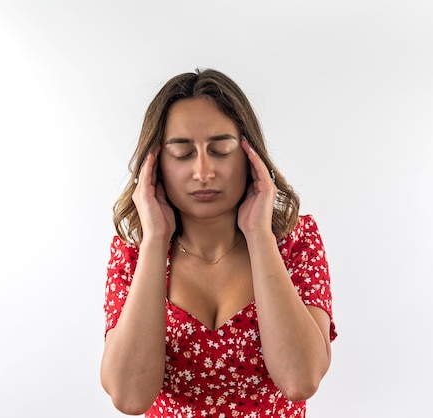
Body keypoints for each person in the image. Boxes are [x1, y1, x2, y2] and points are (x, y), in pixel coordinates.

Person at [100, 68, 337, 418]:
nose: (204, 172)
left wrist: (259, 235)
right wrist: (154, 242)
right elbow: (130, 398)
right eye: (182, 153)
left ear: (249, 155)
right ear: (156, 165)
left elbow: (300, 380)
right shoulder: (133, 253)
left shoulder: (295, 241)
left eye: (221, 149)